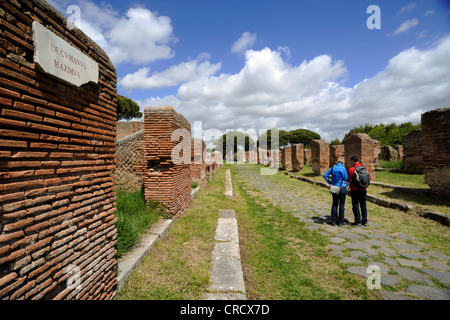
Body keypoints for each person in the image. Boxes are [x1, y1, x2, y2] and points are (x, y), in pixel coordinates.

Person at [323, 157, 348, 226]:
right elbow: (346, 178)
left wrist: (330, 182)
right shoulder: (343, 168)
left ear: (336, 162)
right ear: (342, 162)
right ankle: (341, 221)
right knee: (342, 205)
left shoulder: (333, 168)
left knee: (334, 204)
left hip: (334, 187)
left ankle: (333, 220)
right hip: (342, 187)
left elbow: (325, 175)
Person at [347, 156, 370, 226]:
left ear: (353, 161)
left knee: (355, 205)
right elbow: (369, 178)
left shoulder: (351, 169)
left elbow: (348, 179)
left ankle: (358, 221)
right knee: (363, 205)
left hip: (354, 189)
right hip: (363, 189)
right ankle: (365, 221)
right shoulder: (365, 168)